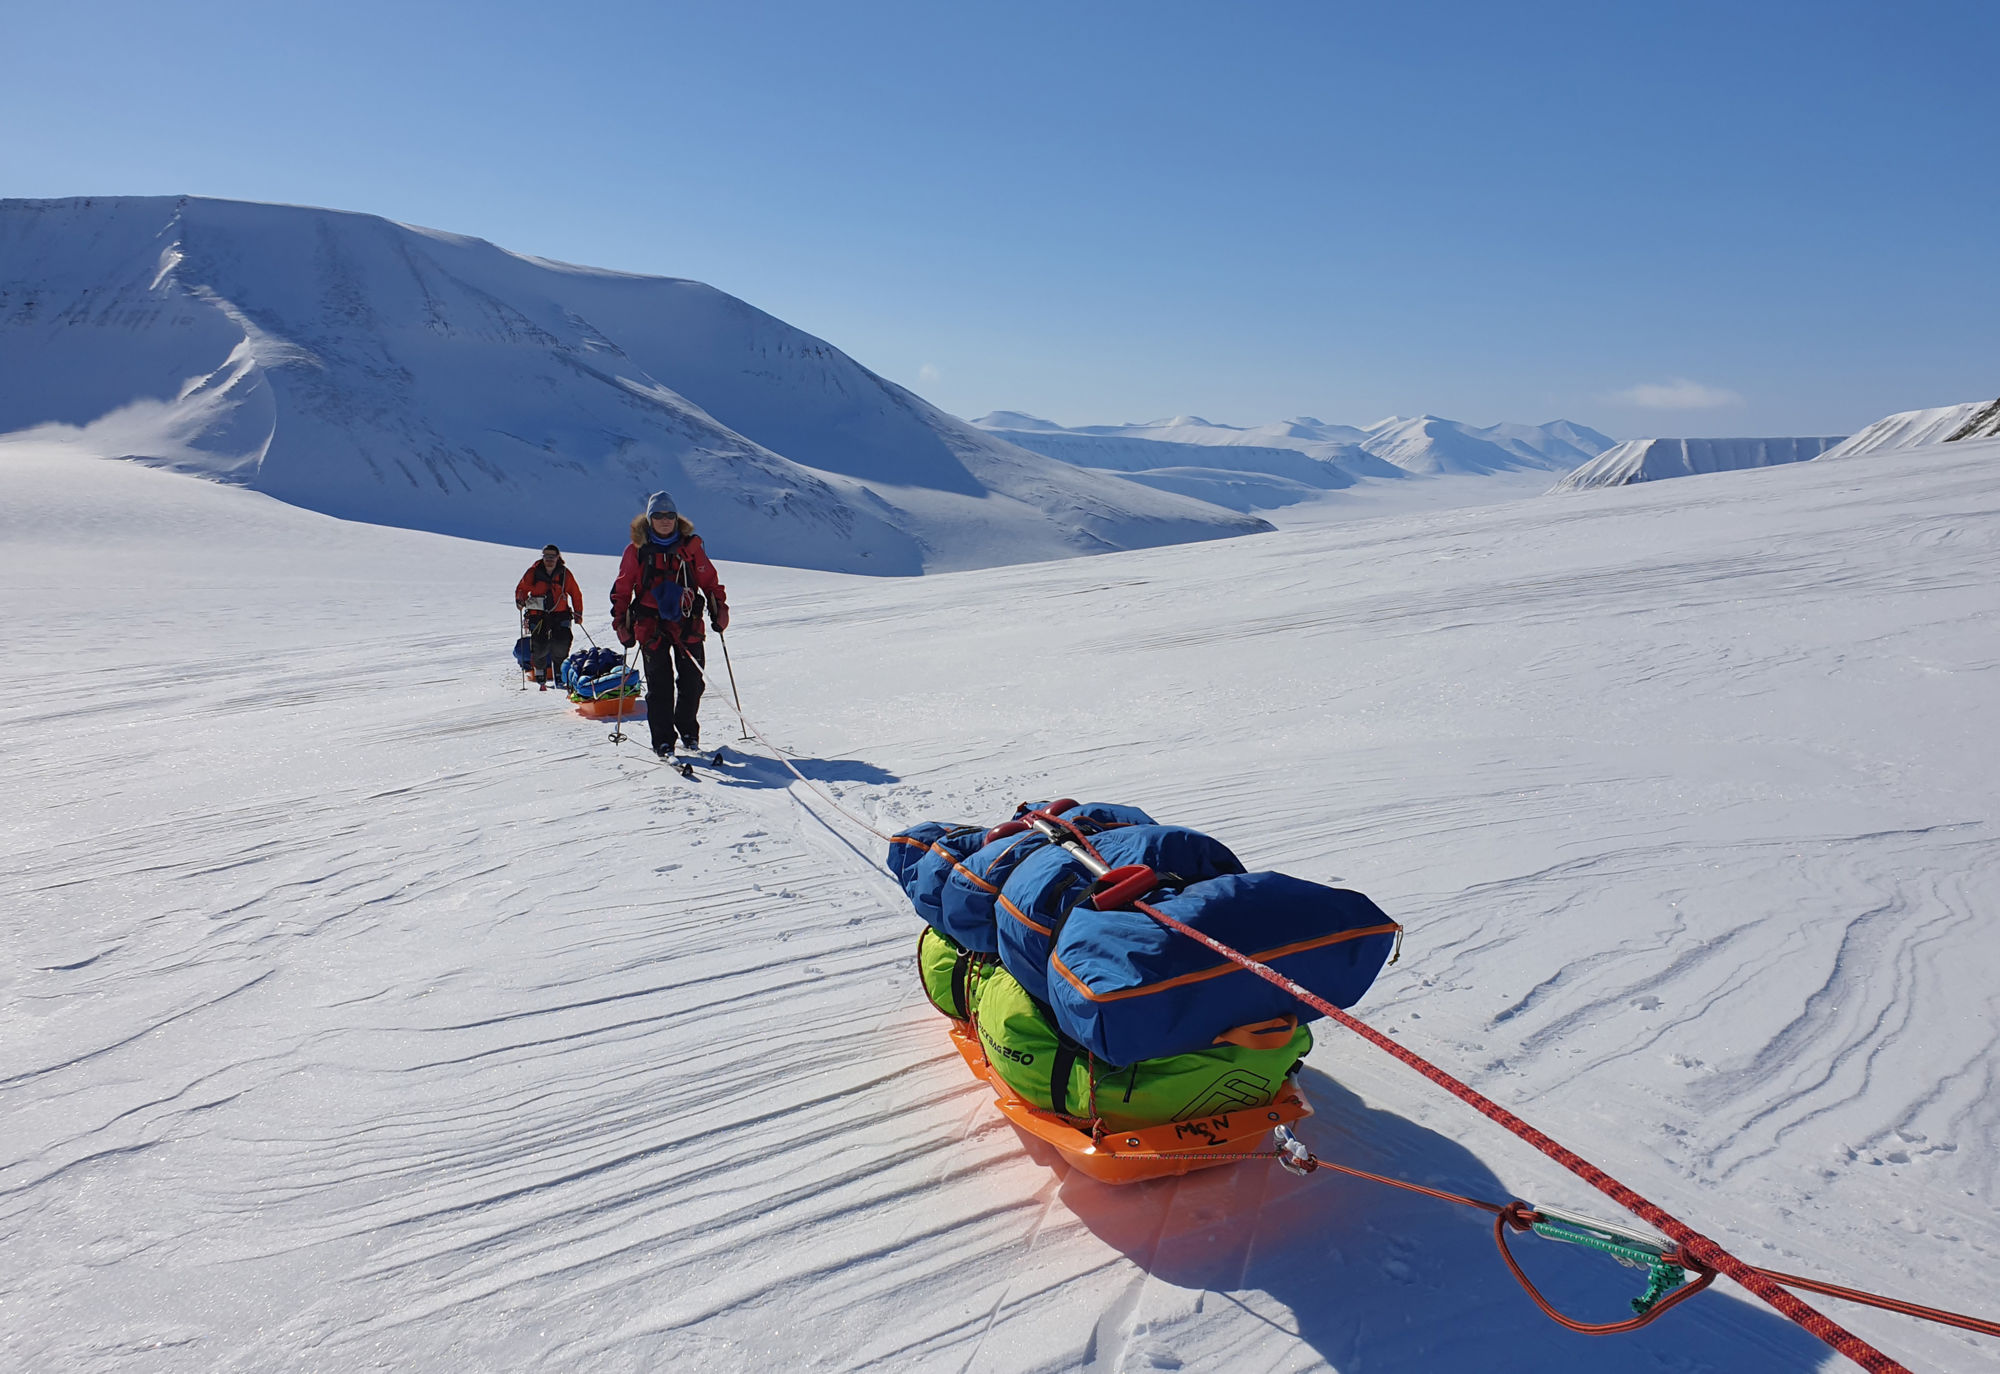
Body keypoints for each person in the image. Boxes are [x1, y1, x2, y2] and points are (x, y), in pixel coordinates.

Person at [610, 491, 729, 757]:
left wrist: (719, 609)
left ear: (676, 518)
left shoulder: (692, 548)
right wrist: (621, 622)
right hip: (650, 625)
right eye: (658, 515)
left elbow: (709, 581)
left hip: (687, 623)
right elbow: (622, 588)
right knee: (659, 686)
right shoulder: (636, 550)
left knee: (693, 682)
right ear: (650, 519)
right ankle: (663, 741)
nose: (665, 520)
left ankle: (688, 732)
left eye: (669, 515)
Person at [515, 544, 584, 689]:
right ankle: (540, 671)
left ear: (558, 557)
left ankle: (559, 673)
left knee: (562, 642)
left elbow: (575, 593)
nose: (549, 559)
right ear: (543, 557)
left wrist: (578, 613)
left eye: (552, 556)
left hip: (561, 614)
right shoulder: (533, 573)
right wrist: (520, 600)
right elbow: (522, 588)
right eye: (546, 556)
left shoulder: (564, 574)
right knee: (539, 645)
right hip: (538, 615)